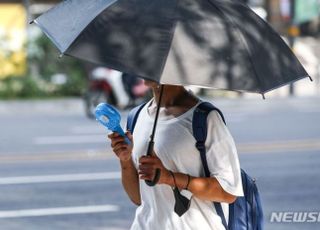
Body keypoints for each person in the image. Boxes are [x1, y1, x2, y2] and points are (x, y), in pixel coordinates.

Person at [108, 81, 244, 230]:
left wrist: (168, 178)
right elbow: (138, 198)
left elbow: (228, 192)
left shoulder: (205, 118)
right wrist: (125, 160)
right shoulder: (136, 116)